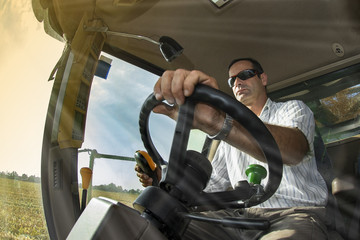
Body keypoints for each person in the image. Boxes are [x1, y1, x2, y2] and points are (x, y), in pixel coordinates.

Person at [135, 58, 336, 239]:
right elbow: (212, 187)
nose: (238, 82)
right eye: (232, 81)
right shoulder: (225, 140)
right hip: (236, 218)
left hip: (293, 213)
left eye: (245, 75)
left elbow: (293, 151)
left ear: (263, 78)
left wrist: (218, 122)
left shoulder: (292, 109)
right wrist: (165, 180)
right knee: (154, 228)